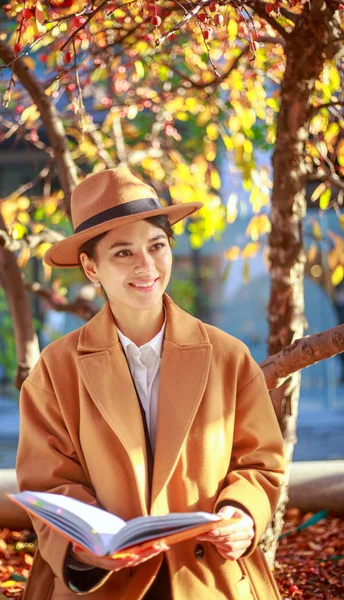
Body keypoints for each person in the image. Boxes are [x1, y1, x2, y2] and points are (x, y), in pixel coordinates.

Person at [16, 167, 285, 600]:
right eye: (123, 253)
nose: (147, 266)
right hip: (101, 586)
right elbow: (47, 483)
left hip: (209, 578)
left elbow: (260, 463)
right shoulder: (56, 369)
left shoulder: (228, 355)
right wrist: (86, 549)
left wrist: (243, 514)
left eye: (157, 246)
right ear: (91, 266)